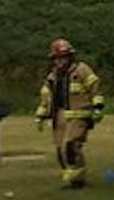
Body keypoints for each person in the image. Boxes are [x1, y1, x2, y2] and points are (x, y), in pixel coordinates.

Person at [34, 38, 105, 188]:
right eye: (57, 58)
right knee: (60, 150)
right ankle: (73, 179)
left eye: (63, 57)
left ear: (70, 57)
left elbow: (95, 89)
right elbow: (46, 96)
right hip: (59, 116)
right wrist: (41, 115)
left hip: (79, 115)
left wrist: (98, 107)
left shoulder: (82, 70)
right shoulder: (53, 76)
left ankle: (78, 176)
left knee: (71, 145)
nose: (60, 61)